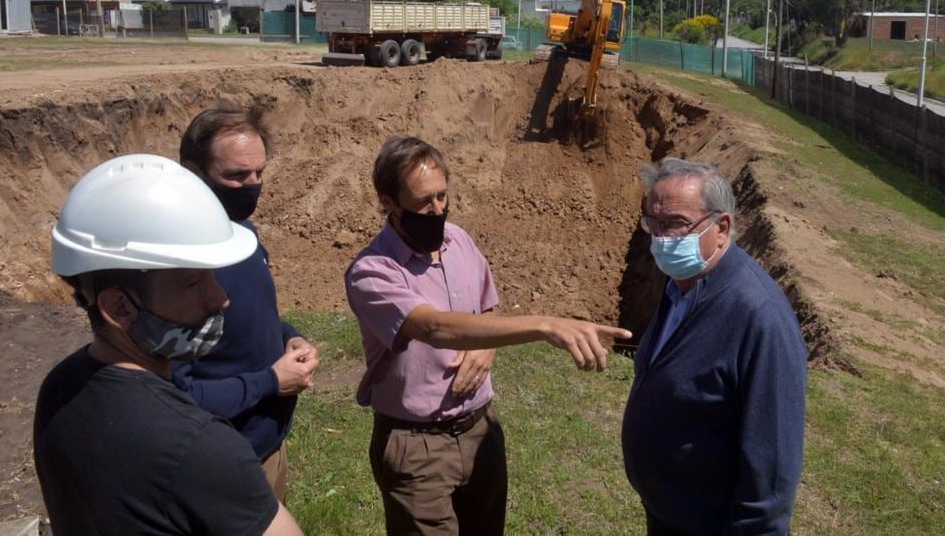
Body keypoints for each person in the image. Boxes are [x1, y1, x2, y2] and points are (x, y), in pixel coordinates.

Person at [345, 136, 632, 536]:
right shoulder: (372, 273)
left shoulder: (459, 241)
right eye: (424, 201)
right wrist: (546, 324)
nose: (438, 210)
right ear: (388, 202)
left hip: (481, 431)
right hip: (417, 446)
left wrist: (488, 346)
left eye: (443, 196)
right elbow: (435, 327)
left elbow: (486, 309)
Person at [34, 153, 301, 535]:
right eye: (193, 283)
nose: (220, 297)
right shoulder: (197, 444)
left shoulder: (60, 386)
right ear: (119, 307)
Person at [622, 157, 807, 535]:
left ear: (721, 227)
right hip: (669, 513)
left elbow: (770, 472)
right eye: (652, 224)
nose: (661, 239)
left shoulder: (760, 319)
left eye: (675, 224)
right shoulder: (681, 285)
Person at [173, 107, 319, 502]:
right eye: (237, 176)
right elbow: (179, 395)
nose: (253, 185)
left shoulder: (243, 234)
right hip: (219, 460)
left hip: (266, 443)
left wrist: (290, 337)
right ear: (193, 172)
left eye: (259, 173)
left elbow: (252, 314)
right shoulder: (177, 267)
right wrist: (271, 382)